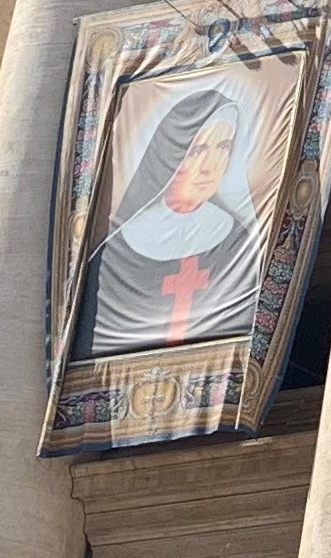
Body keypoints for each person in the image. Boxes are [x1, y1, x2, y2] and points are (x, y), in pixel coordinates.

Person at [81, 78, 271, 355]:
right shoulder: (114, 252)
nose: (210, 167)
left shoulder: (245, 243)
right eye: (197, 150)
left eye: (223, 148)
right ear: (167, 156)